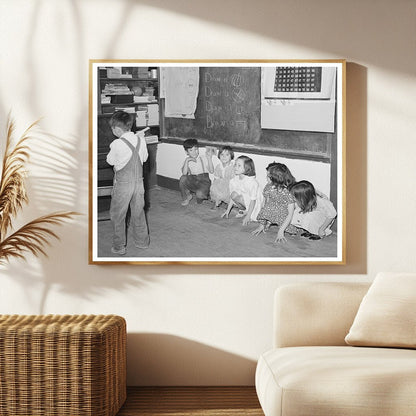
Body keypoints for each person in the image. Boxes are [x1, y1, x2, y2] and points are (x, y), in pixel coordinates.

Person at [106, 111, 150, 255]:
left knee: (118, 215)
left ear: (117, 129)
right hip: (139, 184)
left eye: (113, 130)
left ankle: (119, 246)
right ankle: (142, 242)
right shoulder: (141, 140)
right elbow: (144, 159)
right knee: (138, 212)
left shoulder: (117, 143)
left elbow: (110, 161)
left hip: (123, 185)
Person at [251, 163, 298, 242]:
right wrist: (262, 224)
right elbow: (264, 203)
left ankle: (281, 225)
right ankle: (269, 222)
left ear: (276, 178)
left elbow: (290, 213)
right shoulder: (268, 187)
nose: (266, 178)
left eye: (268, 176)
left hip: (285, 212)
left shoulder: (288, 192)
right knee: (266, 208)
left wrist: (281, 231)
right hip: (273, 208)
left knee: (292, 230)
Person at [222, 155, 263, 226]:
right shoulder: (234, 180)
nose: (235, 167)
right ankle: (244, 210)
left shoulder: (252, 182)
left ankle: (248, 213)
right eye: (235, 165)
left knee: (255, 217)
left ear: (247, 168)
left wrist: (248, 217)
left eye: (239, 165)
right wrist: (227, 211)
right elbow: (232, 197)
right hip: (246, 200)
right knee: (233, 194)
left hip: (255, 203)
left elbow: (253, 200)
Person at [179, 138, 211, 206]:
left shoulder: (203, 158)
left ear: (198, 149)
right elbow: (184, 173)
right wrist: (187, 160)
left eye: (196, 149)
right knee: (183, 178)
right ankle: (186, 197)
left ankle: (200, 199)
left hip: (203, 182)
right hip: (193, 180)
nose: (194, 152)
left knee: (199, 195)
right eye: (191, 150)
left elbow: (211, 171)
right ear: (186, 152)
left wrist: (209, 159)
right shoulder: (187, 161)